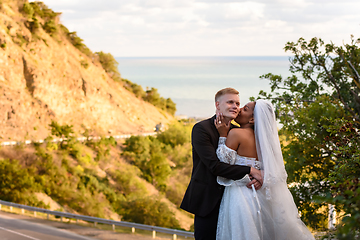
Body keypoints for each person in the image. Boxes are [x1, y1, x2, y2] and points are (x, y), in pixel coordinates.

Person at [214, 99, 315, 240]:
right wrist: (263, 177)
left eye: (245, 108)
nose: (240, 108)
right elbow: (274, 168)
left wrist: (223, 135)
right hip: (261, 195)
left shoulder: (236, 133)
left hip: (240, 194)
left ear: (253, 119)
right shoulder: (265, 142)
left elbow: (224, 162)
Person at [180, 88, 263, 240]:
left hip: (234, 201)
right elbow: (214, 166)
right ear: (218, 105)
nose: (235, 106)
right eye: (230, 102)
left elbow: (250, 158)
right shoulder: (201, 129)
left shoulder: (236, 131)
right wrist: (250, 170)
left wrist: (258, 176)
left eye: (238, 103)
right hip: (207, 200)